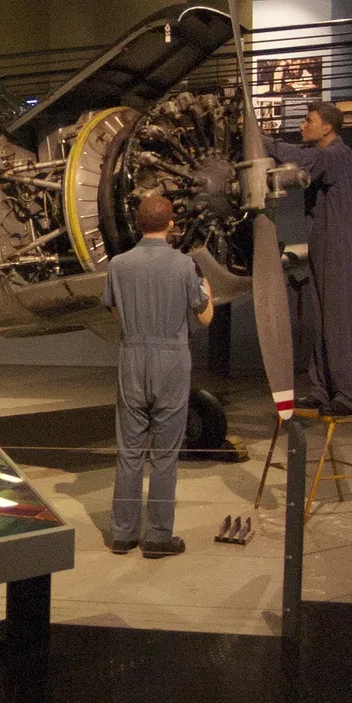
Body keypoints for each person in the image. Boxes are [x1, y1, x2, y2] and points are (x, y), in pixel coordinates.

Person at [104, 193, 213, 559]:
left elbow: (114, 309)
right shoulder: (184, 266)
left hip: (132, 359)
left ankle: (122, 534)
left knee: (129, 451)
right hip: (170, 361)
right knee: (165, 455)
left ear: (138, 224)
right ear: (170, 225)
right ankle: (158, 537)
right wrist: (208, 292)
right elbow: (204, 316)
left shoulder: (118, 265)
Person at [264, 100, 352, 414]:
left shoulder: (337, 155)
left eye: (308, 120)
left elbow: (303, 158)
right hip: (326, 245)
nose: (302, 126)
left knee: (340, 321)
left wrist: (262, 140)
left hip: (341, 246)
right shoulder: (332, 159)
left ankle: (350, 397)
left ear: (327, 127)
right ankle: (323, 390)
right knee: (323, 319)